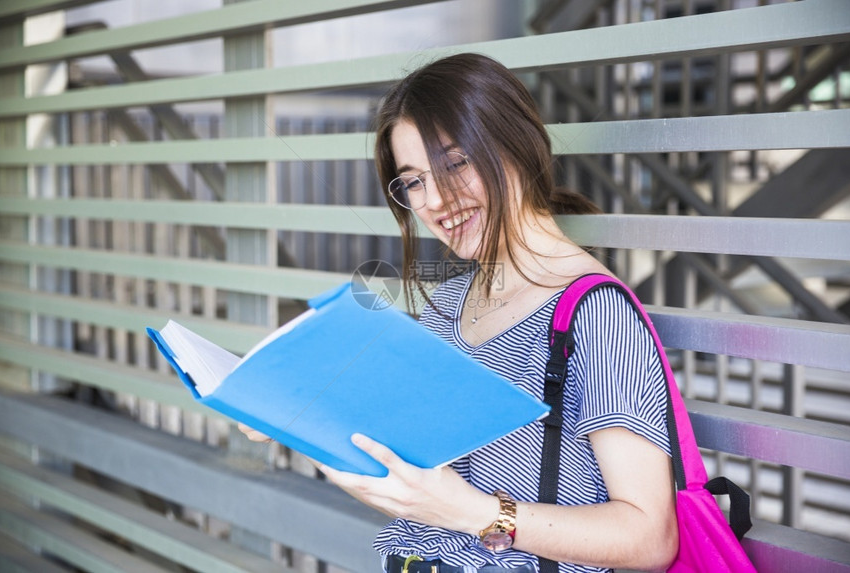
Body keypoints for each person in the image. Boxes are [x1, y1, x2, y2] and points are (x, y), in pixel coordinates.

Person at [241, 53, 678, 573]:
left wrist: (473, 513)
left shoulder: (594, 313)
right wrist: (293, 414)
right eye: (414, 181)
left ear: (518, 146)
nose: (434, 201)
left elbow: (649, 538)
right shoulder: (449, 304)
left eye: (454, 162)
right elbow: (418, 495)